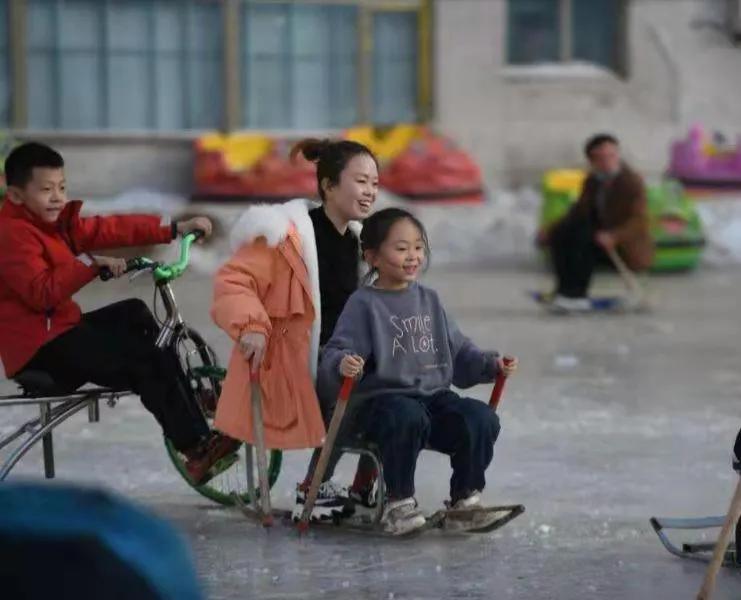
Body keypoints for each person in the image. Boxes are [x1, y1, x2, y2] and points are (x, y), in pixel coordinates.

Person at [0, 141, 235, 485]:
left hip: (61, 330)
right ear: (17, 195)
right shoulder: (11, 234)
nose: (57, 198)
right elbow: (41, 293)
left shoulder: (54, 224)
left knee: (135, 313)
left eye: (62, 188)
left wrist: (172, 228)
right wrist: (89, 263)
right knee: (147, 357)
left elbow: (106, 228)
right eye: (46, 190)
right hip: (41, 352)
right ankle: (196, 450)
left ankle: (184, 396)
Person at [318, 208, 519, 535]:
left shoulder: (429, 299)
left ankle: (464, 501)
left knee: (480, 418)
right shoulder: (364, 303)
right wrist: (343, 364)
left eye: (418, 247)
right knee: (407, 415)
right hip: (380, 407)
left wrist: (490, 365)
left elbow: (459, 350)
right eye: (401, 249)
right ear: (373, 257)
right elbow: (337, 349)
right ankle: (399, 504)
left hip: (432, 400)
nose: (412, 256)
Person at [210, 138, 379, 521]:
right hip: (293, 363)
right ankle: (314, 487)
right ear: (328, 186)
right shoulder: (284, 236)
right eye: (360, 181)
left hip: (345, 357)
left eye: (374, 183)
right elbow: (232, 283)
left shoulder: (361, 243)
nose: (370, 192)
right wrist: (252, 325)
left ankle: (366, 483)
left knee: (401, 385)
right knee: (360, 388)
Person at [538, 133, 653, 311]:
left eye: (611, 156)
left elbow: (639, 220)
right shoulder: (592, 181)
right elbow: (578, 212)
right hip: (599, 237)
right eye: (600, 158)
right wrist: (551, 230)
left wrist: (614, 236)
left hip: (624, 245)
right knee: (564, 234)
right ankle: (564, 290)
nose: (607, 162)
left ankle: (576, 294)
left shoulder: (631, 182)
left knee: (583, 238)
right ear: (592, 161)